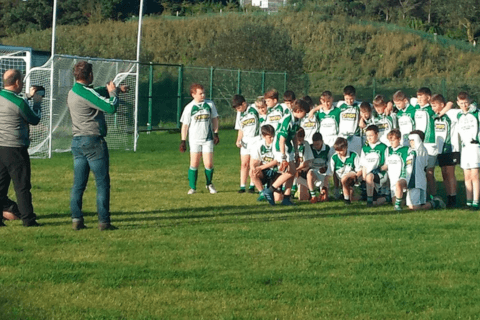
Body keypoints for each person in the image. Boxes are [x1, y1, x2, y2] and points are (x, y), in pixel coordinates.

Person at [67, 61, 128, 231]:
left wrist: (114, 90)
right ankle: (104, 222)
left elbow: (93, 92)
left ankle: (76, 219)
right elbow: (110, 107)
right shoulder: (86, 93)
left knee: (78, 184)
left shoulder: (73, 91)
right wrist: (114, 94)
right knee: (102, 183)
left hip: (77, 142)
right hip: (93, 141)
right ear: (90, 75)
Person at [0, 69, 43, 227]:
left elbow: (10, 99)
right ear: (17, 82)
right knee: (22, 185)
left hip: (1, 146)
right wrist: (37, 102)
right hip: (16, 147)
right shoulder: (19, 102)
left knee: (1, 185)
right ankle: (28, 219)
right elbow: (34, 119)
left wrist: (27, 96)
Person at [263, 99, 308, 206]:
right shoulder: (287, 120)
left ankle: (286, 198)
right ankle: (269, 190)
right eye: (304, 112)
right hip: (280, 147)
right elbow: (281, 139)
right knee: (291, 171)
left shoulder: (297, 120)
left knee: (292, 172)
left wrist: (296, 152)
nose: (305, 115)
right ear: (298, 110)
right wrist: (283, 157)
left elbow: (294, 137)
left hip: (288, 147)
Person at [180, 83, 219, 195]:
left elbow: (215, 119)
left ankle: (209, 184)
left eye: (204, 93)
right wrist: (183, 140)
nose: (203, 95)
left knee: (209, 164)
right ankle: (193, 187)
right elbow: (185, 125)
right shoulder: (189, 107)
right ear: (193, 94)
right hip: (194, 139)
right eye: (200, 93)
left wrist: (216, 133)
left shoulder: (210, 104)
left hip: (207, 138)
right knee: (194, 163)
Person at [431, 93, 460, 208]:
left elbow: (452, 104)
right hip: (440, 149)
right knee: (444, 174)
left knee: (450, 173)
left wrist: (446, 108)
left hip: (451, 148)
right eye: (431, 105)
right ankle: (449, 196)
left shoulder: (451, 113)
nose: (433, 108)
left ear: (441, 104)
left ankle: (453, 198)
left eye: (434, 105)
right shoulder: (435, 115)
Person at [405, 130, 445, 210]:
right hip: (410, 182)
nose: (411, 142)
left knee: (416, 208)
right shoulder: (410, 151)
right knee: (411, 207)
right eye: (410, 141)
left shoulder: (421, 150)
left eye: (413, 140)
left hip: (418, 183)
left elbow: (417, 142)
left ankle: (436, 203)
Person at [456, 92, 480, 210]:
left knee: (475, 175)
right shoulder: (459, 115)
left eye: (466, 102)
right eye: (461, 103)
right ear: (458, 103)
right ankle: (468, 201)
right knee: (467, 176)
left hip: (475, 146)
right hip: (465, 148)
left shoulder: (477, 113)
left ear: (470, 101)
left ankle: (476, 201)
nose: (464, 105)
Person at [233, 94, 260, 193]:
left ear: (244, 103)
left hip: (256, 139)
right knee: (244, 164)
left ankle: (252, 185)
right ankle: (242, 186)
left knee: (253, 164)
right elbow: (240, 128)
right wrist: (238, 140)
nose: (238, 110)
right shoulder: (239, 114)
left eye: (239, 107)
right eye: (236, 108)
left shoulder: (253, 108)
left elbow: (263, 105)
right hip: (245, 141)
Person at [250, 125, 282, 202]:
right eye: (269, 137)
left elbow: (276, 161)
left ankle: (275, 190)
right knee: (252, 172)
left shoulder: (277, 144)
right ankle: (262, 193)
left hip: (276, 171)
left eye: (273, 136)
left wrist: (260, 167)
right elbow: (254, 160)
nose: (272, 138)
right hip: (265, 171)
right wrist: (253, 167)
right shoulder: (258, 145)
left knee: (277, 199)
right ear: (264, 136)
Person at [360, 125, 389, 207]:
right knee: (376, 202)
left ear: (377, 134)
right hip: (369, 176)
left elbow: (387, 164)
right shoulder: (365, 148)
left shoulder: (383, 147)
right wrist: (364, 176)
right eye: (367, 136)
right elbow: (363, 164)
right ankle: (386, 198)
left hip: (380, 174)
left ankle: (369, 201)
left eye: (371, 135)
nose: (369, 138)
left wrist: (378, 169)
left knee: (369, 177)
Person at [327, 137, 362, 205]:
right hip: (340, 178)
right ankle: (345, 197)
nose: (339, 152)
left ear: (346, 147)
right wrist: (325, 187)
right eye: (337, 150)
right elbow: (329, 172)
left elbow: (359, 170)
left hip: (352, 176)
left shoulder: (353, 155)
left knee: (344, 179)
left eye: (341, 150)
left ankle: (347, 199)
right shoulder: (334, 157)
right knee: (343, 181)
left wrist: (356, 179)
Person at [382, 129, 409, 210]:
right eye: (390, 140)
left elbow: (407, 164)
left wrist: (404, 176)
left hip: (402, 176)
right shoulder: (388, 150)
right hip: (392, 179)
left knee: (402, 201)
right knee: (394, 201)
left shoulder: (405, 150)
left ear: (399, 139)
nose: (391, 142)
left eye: (393, 140)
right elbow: (386, 165)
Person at [337, 85, 363, 155]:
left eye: (351, 99)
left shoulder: (359, 105)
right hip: (342, 136)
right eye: (347, 99)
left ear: (355, 96)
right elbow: (324, 106)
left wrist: (362, 118)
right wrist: (313, 110)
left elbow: (373, 106)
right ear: (344, 96)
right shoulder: (340, 104)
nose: (349, 101)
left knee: (356, 157)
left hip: (355, 137)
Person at [306, 132, 331, 203]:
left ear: (322, 142)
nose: (316, 146)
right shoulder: (310, 148)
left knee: (325, 198)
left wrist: (325, 168)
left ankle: (324, 191)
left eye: (318, 144)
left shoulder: (327, 148)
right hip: (314, 170)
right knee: (309, 173)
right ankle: (313, 195)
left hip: (324, 172)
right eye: (314, 144)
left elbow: (330, 162)